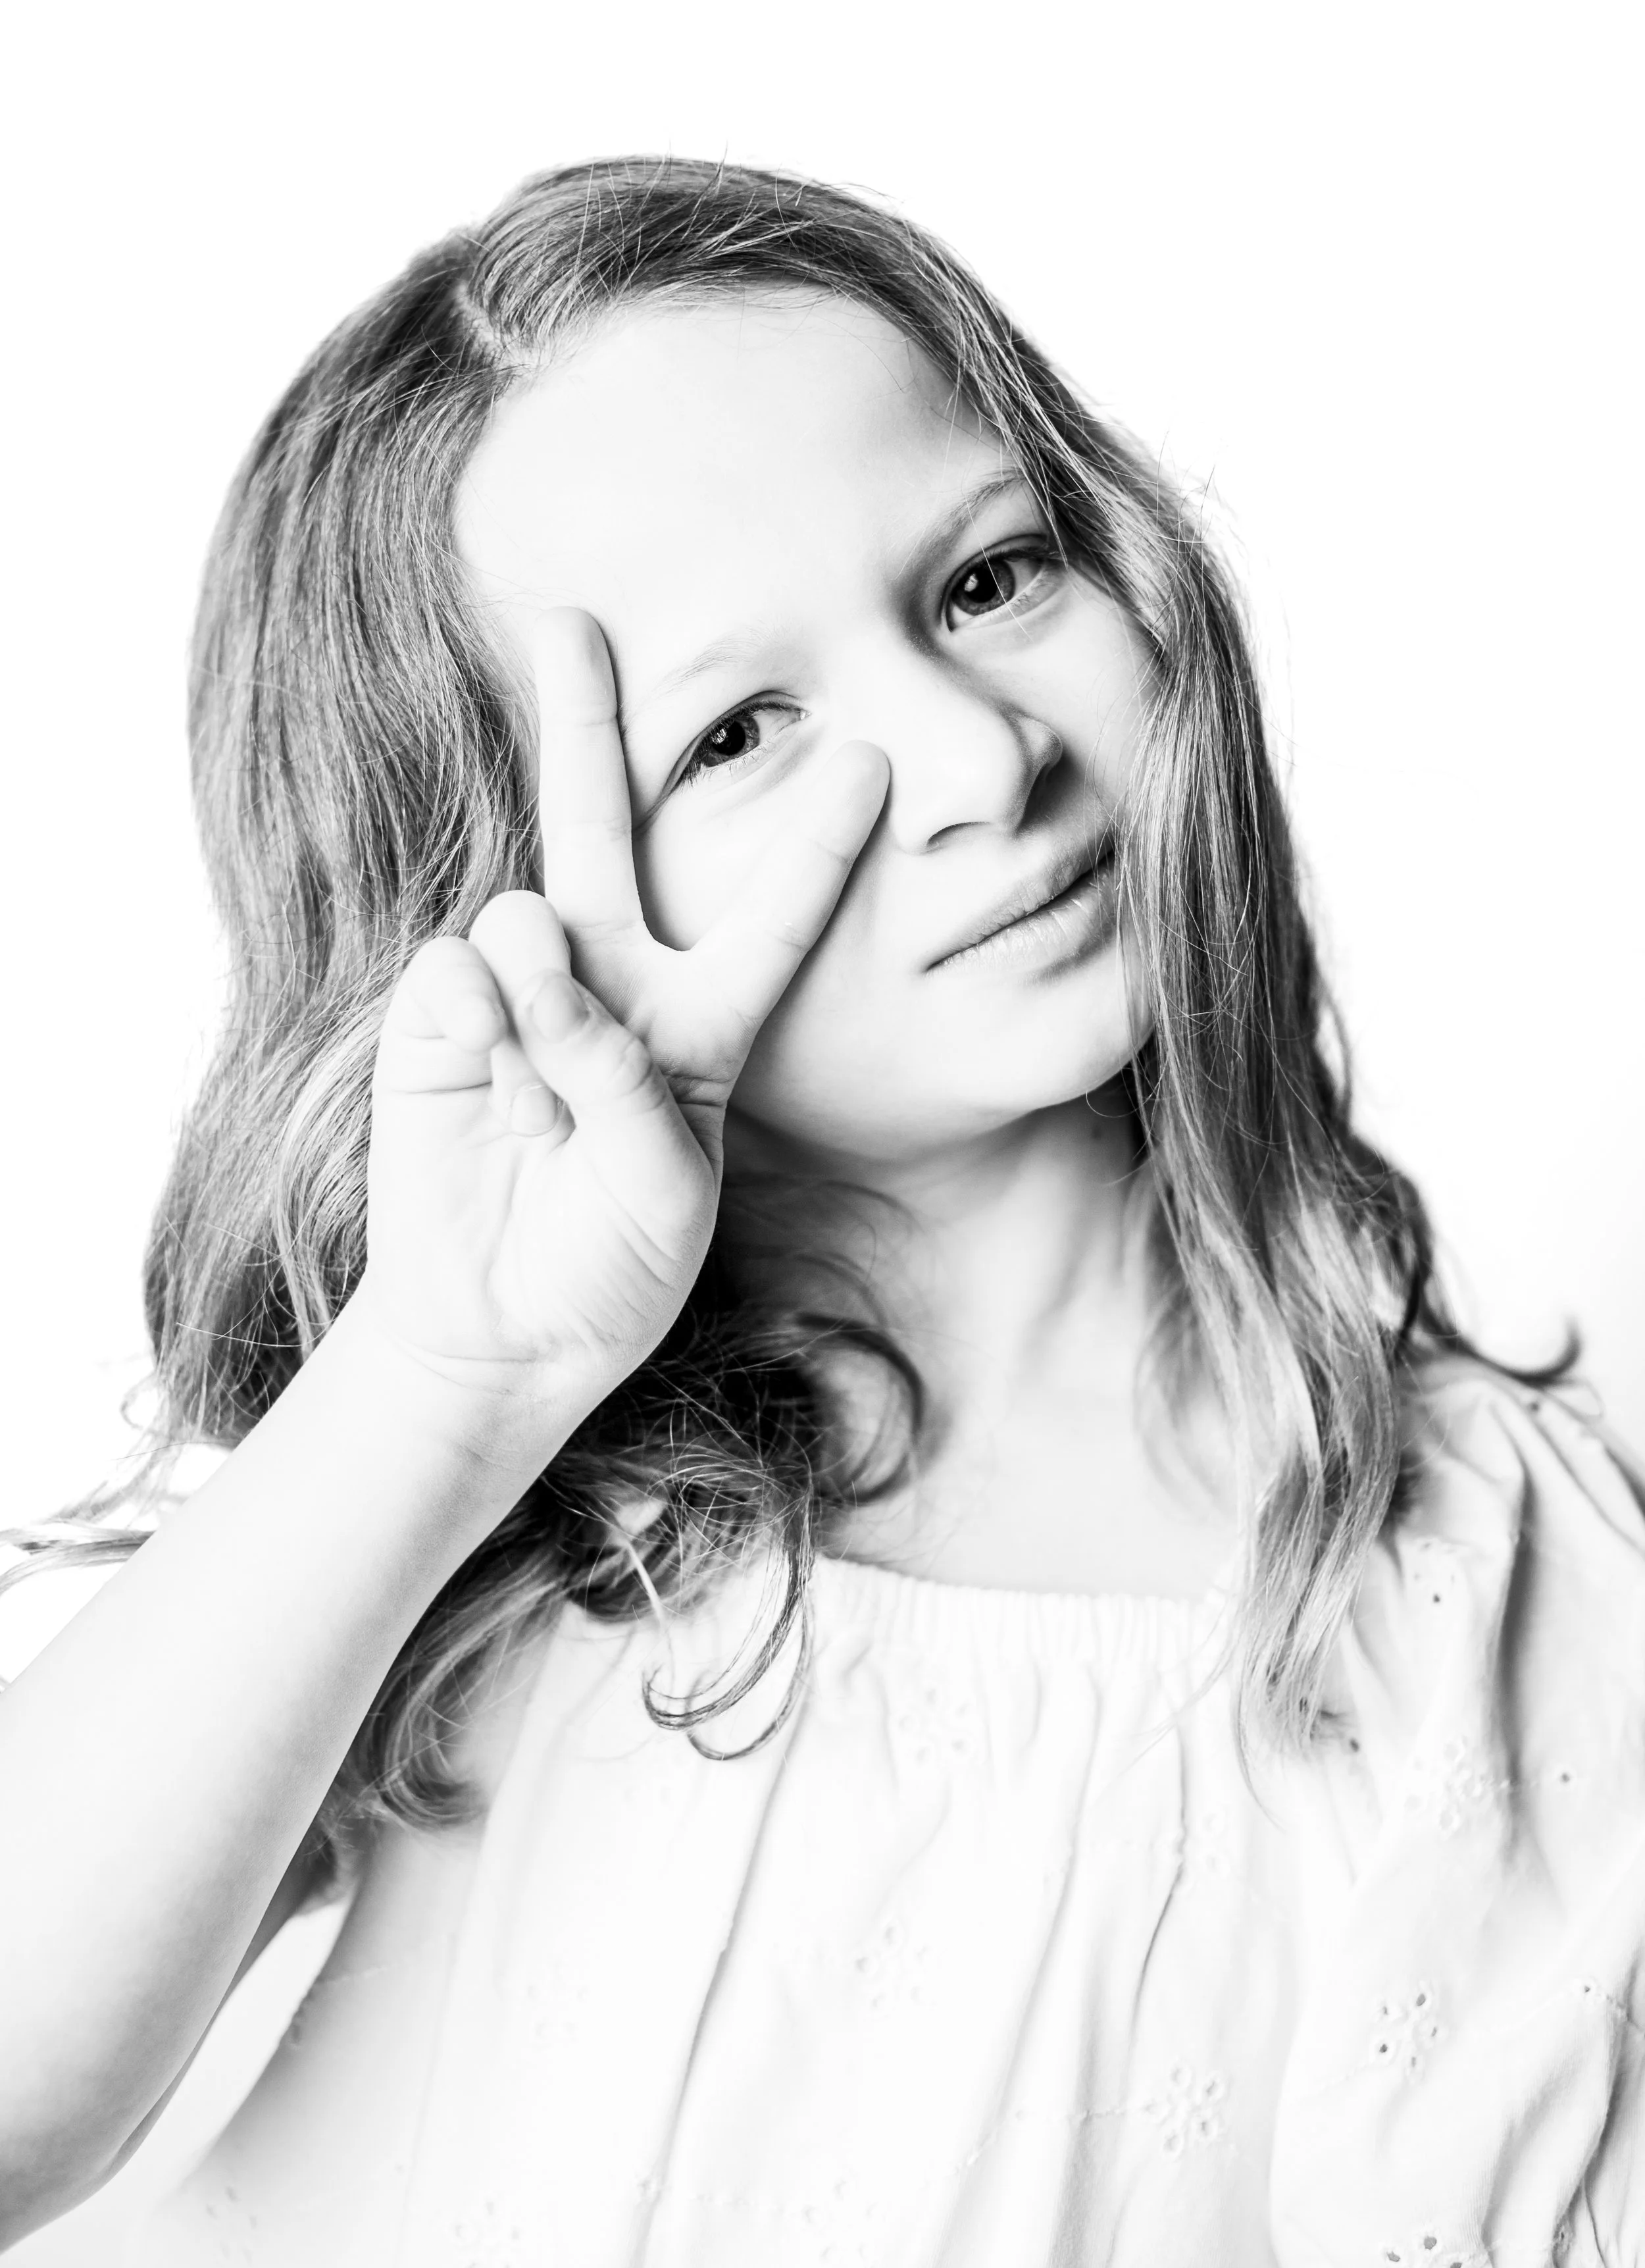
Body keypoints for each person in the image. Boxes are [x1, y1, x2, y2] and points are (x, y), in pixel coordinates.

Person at [1, 155, 1640, 2265]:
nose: (975, 758)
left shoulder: (1514, 1587)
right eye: (741, 730)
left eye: (987, 579)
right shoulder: (477, 1542)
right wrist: (444, 1380)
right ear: (492, 889)